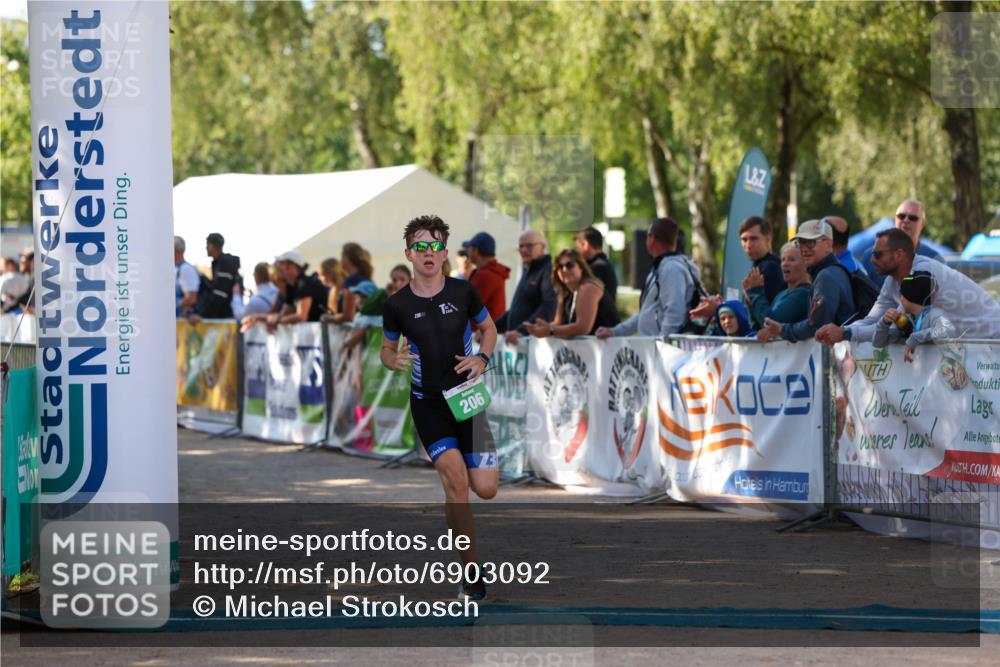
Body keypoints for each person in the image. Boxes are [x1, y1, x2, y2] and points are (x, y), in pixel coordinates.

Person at [380, 214, 498, 601]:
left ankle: (460, 514)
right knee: (455, 481)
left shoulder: (463, 292)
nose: (428, 253)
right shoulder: (396, 304)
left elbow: (490, 329)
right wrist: (391, 359)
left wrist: (482, 359)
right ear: (409, 253)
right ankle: (471, 573)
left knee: (486, 488)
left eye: (435, 247)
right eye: (421, 246)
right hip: (428, 403)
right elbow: (386, 348)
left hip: (468, 399)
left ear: (445, 253)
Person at [816, 228, 1000, 345]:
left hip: (991, 341)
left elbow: (895, 329)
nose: (872, 260)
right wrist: (842, 331)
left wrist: (845, 333)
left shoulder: (920, 276)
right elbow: (871, 320)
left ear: (899, 254)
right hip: (976, 346)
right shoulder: (892, 281)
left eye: (878, 254)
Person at [596, 217, 700, 339]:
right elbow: (646, 313)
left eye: (648, 236)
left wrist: (663, 344)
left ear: (652, 238)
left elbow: (674, 312)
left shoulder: (671, 269)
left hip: (664, 351)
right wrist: (615, 332)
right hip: (654, 347)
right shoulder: (662, 267)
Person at [757, 219, 856, 344]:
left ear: (828, 244)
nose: (803, 249)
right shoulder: (831, 272)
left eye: (810, 243)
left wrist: (782, 330)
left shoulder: (826, 276)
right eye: (800, 243)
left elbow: (817, 325)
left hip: (839, 357)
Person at [525, 249, 619, 338]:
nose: (564, 270)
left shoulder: (588, 286)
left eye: (569, 265)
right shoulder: (565, 293)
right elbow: (558, 323)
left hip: (609, 350)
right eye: (560, 267)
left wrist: (550, 330)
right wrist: (539, 328)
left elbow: (583, 327)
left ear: (581, 267)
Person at [872, 271, 955, 363]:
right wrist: (884, 323)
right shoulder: (904, 314)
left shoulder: (935, 313)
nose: (900, 299)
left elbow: (947, 329)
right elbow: (878, 343)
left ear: (910, 298)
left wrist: (916, 337)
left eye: (902, 295)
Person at [861, 199, 944, 288]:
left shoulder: (935, 260)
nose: (906, 220)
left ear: (922, 224)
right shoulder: (870, 257)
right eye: (901, 216)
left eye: (913, 218)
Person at [495, 229, 557, 344]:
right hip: (518, 344)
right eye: (521, 246)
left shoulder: (548, 270)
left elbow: (549, 306)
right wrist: (492, 329)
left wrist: (521, 331)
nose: (524, 250)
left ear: (542, 247)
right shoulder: (528, 270)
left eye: (529, 246)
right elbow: (516, 309)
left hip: (533, 345)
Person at [744, 242, 811, 327]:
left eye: (791, 259)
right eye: (783, 259)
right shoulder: (781, 294)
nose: (785, 264)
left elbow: (771, 323)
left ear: (806, 264)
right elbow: (759, 326)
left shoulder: (803, 294)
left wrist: (756, 291)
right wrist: (750, 298)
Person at [266, 249, 328, 327]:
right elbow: (286, 312)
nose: (277, 265)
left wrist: (277, 321)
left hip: (320, 335)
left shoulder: (304, 284)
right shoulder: (291, 286)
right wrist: (275, 319)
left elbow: (301, 316)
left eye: (281, 263)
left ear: (292, 266)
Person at [463, 232, 510, 321]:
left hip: (482, 332)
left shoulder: (485, 275)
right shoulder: (493, 272)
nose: (467, 251)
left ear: (476, 251)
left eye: (469, 248)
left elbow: (467, 307)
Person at [739, 216, 786, 301]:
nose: (748, 245)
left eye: (753, 239)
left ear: (768, 238)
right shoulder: (761, 265)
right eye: (744, 240)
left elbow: (767, 312)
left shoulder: (771, 267)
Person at [575, 226, 619, 316]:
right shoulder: (603, 265)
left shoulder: (596, 268)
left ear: (585, 244)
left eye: (578, 247)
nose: (577, 251)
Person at [198, 233, 240, 319]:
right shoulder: (219, 263)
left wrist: (203, 316)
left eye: (208, 245)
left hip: (224, 317)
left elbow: (220, 294)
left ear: (213, 246)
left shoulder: (224, 263)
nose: (206, 248)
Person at [330, 242, 373, 324]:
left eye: (342, 256)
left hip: (355, 331)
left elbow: (348, 316)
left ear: (347, 258)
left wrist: (330, 318)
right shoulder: (366, 279)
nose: (340, 260)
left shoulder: (352, 281)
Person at [174, 236, 201, 317]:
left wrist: (171, 307)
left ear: (176, 251)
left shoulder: (186, 269)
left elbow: (191, 298)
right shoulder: (177, 268)